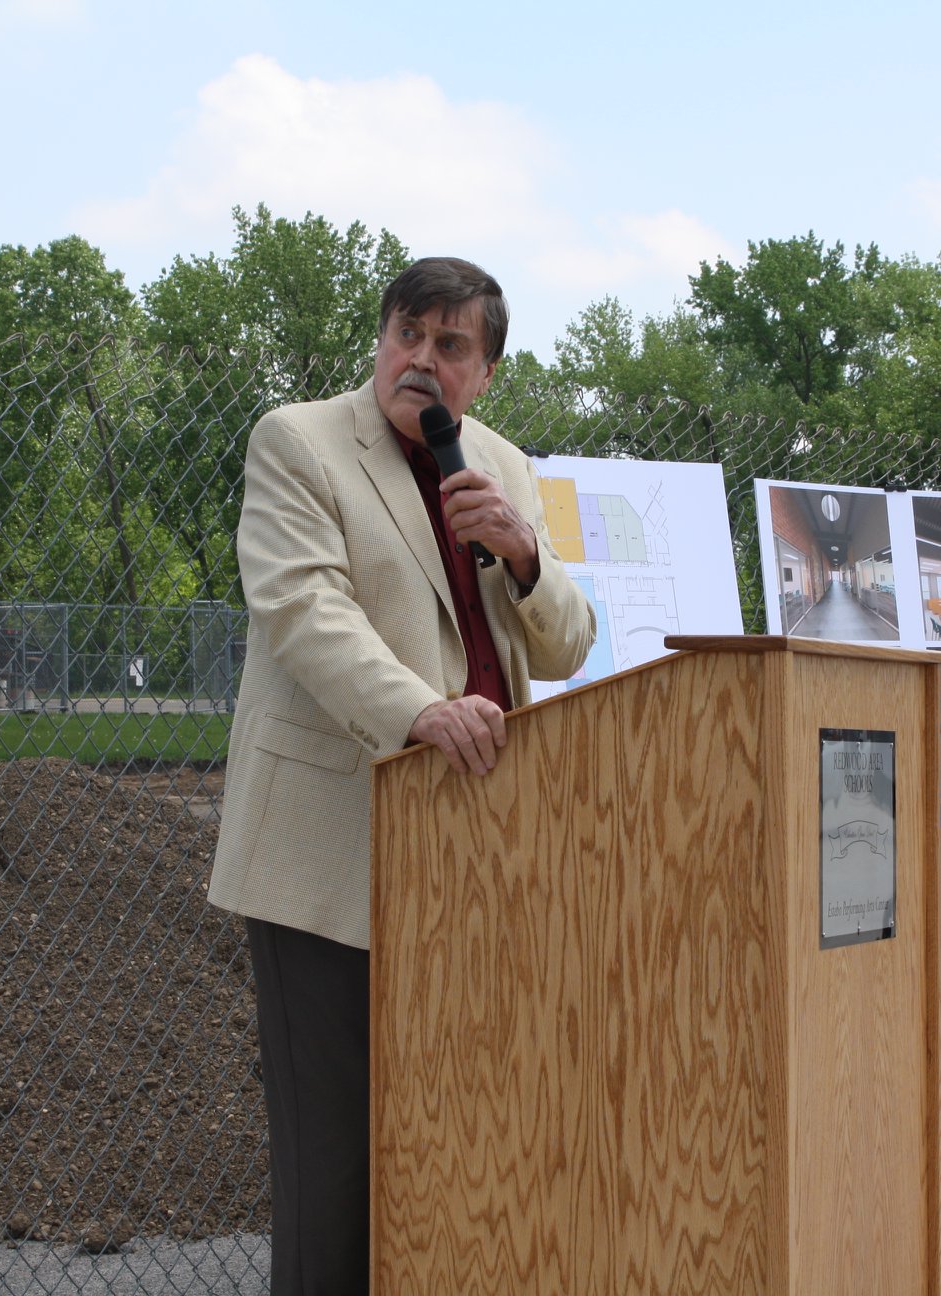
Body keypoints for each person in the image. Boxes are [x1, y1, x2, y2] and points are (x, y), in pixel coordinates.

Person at [207, 257, 595, 1295]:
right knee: (336, 1176)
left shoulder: (504, 467)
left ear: (488, 373)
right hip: (332, 856)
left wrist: (524, 557)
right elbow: (303, 612)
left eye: (450, 344)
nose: (420, 359)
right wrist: (417, 713)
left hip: (476, 853)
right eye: (406, 333)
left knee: (451, 1153)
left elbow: (568, 648)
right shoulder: (300, 441)